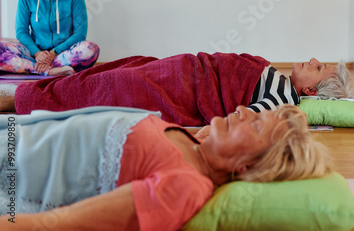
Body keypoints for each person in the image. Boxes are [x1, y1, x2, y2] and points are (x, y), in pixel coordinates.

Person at [0, 104, 333, 230]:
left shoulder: (186, 187)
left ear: (248, 167)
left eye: (257, 125)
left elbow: (61, 224)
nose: (245, 109)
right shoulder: (192, 142)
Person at [0, 53, 354, 123]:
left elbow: (242, 120)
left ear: (310, 93)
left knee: (109, 86)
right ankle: (39, 92)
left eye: (318, 67)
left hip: (182, 90)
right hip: (182, 69)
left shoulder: (282, 98)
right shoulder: (277, 76)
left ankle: (18, 100)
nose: (311, 58)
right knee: (126, 65)